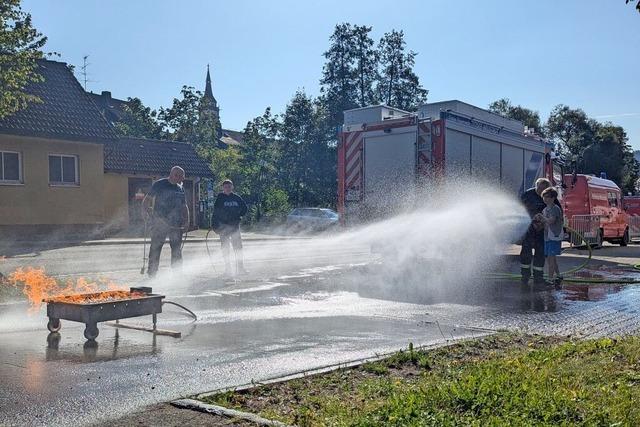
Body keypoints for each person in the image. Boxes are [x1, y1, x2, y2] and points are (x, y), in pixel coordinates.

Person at [142, 166, 189, 277]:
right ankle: (152, 272)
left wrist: (187, 221)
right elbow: (147, 200)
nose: (182, 180)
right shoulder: (159, 184)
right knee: (156, 247)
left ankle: (177, 273)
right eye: (181, 177)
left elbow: (184, 206)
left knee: (177, 249)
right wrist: (145, 213)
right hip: (160, 222)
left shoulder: (180, 188)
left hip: (176, 224)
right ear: (175, 175)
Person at [519, 178, 561, 289]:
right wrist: (532, 218)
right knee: (526, 254)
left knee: (540, 254)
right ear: (536, 186)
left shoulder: (552, 197)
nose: (543, 193)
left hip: (543, 232)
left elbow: (558, 214)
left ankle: (538, 278)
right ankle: (525, 276)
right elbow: (519, 210)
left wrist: (546, 223)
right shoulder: (527, 195)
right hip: (529, 230)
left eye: (545, 190)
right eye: (541, 189)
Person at [212, 179, 248, 276]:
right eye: (225, 187)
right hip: (223, 228)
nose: (227, 188)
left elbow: (245, 208)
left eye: (229, 186)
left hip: (235, 227)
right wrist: (214, 226)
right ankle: (228, 269)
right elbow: (215, 213)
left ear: (232, 187)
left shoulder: (237, 198)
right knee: (225, 249)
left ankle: (240, 268)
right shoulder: (220, 199)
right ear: (223, 188)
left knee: (238, 248)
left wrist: (239, 216)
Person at [540, 187, 563, 289]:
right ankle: (558, 275)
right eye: (544, 197)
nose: (545, 199)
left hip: (554, 236)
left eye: (548, 197)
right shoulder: (544, 210)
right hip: (547, 237)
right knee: (552, 258)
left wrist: (542, 218)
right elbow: (545, 223)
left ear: (553, 198)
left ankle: (550, 279)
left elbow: (551, 221)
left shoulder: (555, 209)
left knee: (550, 259)